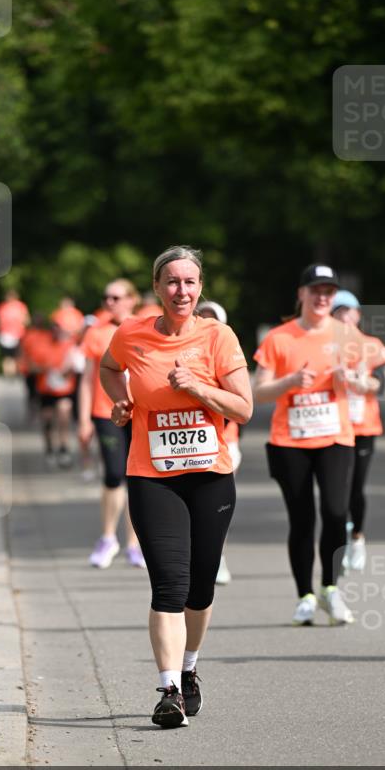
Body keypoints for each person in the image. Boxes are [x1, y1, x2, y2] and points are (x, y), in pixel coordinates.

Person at [100, 246, 252, 728]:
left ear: (200, 287)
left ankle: (189, 670)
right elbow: (108, 367)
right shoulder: (131, 334)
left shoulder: (218, 337)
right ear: (157, 288)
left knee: (200, 587)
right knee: (169, 584)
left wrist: (199, 389)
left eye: (189, 282)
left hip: (210, 477)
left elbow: (243, 409)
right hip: (152, 477)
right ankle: (167, 690)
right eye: (171, 282)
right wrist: (122, 400)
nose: (181, 291)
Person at [253, 264, 364, 626]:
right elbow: (258, 392)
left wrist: (350, 380)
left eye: (329, 292)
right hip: (291, 441)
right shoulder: (278, 338)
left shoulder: (347, 335)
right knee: (302, 519)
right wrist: (291, 381)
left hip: (335, 437)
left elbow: (366, 383)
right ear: (301, 293)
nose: (322, 297)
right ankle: (305, 595)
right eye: (315, 290)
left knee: (336, 512)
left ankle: (331, 588)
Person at [79, 279, 146, 569]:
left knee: (138, 478)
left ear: (131, 300)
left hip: (140, 412)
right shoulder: (97, 333)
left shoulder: (145, 328)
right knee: (113, 473)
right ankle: (108, 537)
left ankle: (135, 543)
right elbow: (85, 380)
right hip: (105, 412)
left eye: (117, 297)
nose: (110, 302)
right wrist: (83, 420)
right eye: (106, 297)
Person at [331, 290, 385, 572]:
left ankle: (358, 538)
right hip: (333, 426)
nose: (344, 316)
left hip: (364, 426)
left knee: (356, 487)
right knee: (336, 488)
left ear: (357, 314)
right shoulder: (324, 346)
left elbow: (382, 383)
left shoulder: (371, 345)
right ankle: (339, 540)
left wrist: (363, 382)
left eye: (348, 310)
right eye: (337, 312)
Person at [195, 300, 242, 585]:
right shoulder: (181, 351)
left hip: (225, 441)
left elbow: (241, 405)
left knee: (215, 508)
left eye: (214, 319)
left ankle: (217, 557)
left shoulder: (228, 350)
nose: (208, 324)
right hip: (186, 444)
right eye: (203, 318)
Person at [36, 322, 80, 468]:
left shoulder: (69, 346)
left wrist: (65, 371)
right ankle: (49, 449)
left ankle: (64, 448)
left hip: (64, 391)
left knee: (64, 413)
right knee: (47, 421)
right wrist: (45, 369)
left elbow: (75, 366)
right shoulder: (42, 347)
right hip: (46, 390)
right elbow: (31, 366)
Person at [0, 290, 30, 377]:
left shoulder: (17, 306)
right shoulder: (6, 307)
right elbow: (27, 321)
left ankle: (10, 374)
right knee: (11, 356)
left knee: (11, 356)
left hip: (13, 335)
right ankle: (10, 374)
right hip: (11, 335)